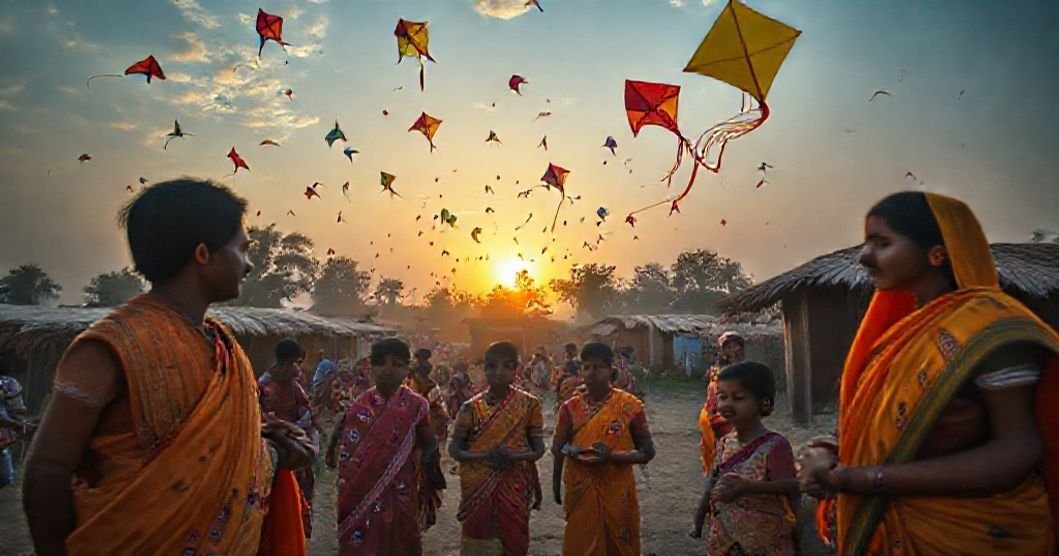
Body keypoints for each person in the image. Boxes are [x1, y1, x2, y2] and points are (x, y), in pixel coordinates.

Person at [22, 178, 314, 555]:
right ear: (203, 254)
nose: (249, 263)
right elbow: (48, 469)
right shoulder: (112, 346)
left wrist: (271, 451)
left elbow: (206, 451)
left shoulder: (224, 346)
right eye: (242, 249)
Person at [797, 191, 1059, 554]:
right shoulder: (901, 334)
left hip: (972, 535)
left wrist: (864, 479)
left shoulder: (990, 329)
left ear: (936, 253)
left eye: (882, 243)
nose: (864, 256)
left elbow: (1018, 449)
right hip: (898, 529)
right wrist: (827, 452)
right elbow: (877, 422)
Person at [326, 338, 444, 555]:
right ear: (371, 367)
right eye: (381, 363)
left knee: (399, 541)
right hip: (358, 490)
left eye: (397, 364)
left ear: (407, 369)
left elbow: (429, 441)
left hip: (400, 489)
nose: (388, 370)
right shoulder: (359, 405)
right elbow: (345, 446)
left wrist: (426, 461)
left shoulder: (417, 405)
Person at [551, 342, 656, 555]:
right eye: (587, 367)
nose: (592, 372)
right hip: (580, 488)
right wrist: (556, 483)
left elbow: (647, 452)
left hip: (617, 489)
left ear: (611, 370)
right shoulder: (570, 408)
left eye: (598, 367)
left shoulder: (629, 406)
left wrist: (612, 457)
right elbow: (558, 448)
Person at [690, 361, 799, 555]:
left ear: (764, 403)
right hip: (725, 538)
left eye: (738, 398)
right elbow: (713, 482)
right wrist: (699, 518)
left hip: (764, 540)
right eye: (722, 397)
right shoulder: (724, 442)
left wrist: (748, 487)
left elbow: (792, 486)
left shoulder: (774, 446)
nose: (727, 404)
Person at [449, 341, 546, 555]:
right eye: (492, 366)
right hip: (478, 485)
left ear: (516, 369)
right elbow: (454, 450)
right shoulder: (470, 408)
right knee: (478, 539)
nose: (498, 372)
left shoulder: (530, 404)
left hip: (515, 483)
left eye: (506, 366)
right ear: (484, 369)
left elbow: (538, 450)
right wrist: (485, 456)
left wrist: (514, 456)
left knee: (514, 540)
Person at [259, 338, 317, 538]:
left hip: (296, 457)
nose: (298, 370)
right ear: (283, 363)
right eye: (295, 364)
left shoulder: (294, 387)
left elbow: (308, 416)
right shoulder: (263, 388)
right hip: (272, 458)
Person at [699, 332, 744, 473]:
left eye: (736, 346)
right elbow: (713, 404)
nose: (733, 351)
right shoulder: (718, 375)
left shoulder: (747, 371)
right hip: (723, 422)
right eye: (728, 347)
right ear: (722, 351)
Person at [0, 372, 31, 488]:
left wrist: (18, 425)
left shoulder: (7, 384)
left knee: (4, 477)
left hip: (3, 444)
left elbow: (18, 414)